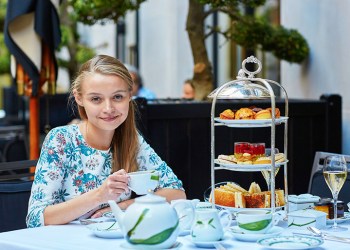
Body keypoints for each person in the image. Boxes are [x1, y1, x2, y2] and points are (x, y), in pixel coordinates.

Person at [26, 55, 186, 228]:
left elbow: (176, 193)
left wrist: (123, 206)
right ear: (79, 98)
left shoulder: (132, 141)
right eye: (96, 99)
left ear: (129, 96)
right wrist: (100, 196)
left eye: (117, 97)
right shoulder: (62, 140)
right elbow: (36, 218)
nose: (108, 109)